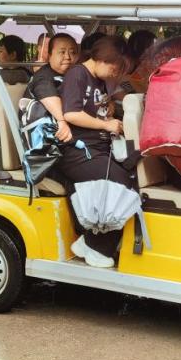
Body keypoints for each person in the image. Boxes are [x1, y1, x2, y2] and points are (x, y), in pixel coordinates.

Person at [59, 35, 136, 268]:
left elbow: (96, 110)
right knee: (120, 181)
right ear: (102, 58)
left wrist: (109, 112)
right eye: (115, 67)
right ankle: (95, 245)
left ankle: (95, 241)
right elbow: (71, 113)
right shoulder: (77, 75)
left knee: (133, 173)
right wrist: (106, 125)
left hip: (99, 148)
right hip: (77, 151)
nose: (115, 73)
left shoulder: (99, 79)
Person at [22, 33, 79, 142]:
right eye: (62, 52)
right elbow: (49, 97)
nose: (67, 57)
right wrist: (62, 121)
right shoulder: (43, 76)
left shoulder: (75, 75)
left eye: (73, 52)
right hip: (52, 137)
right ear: (50, 54)